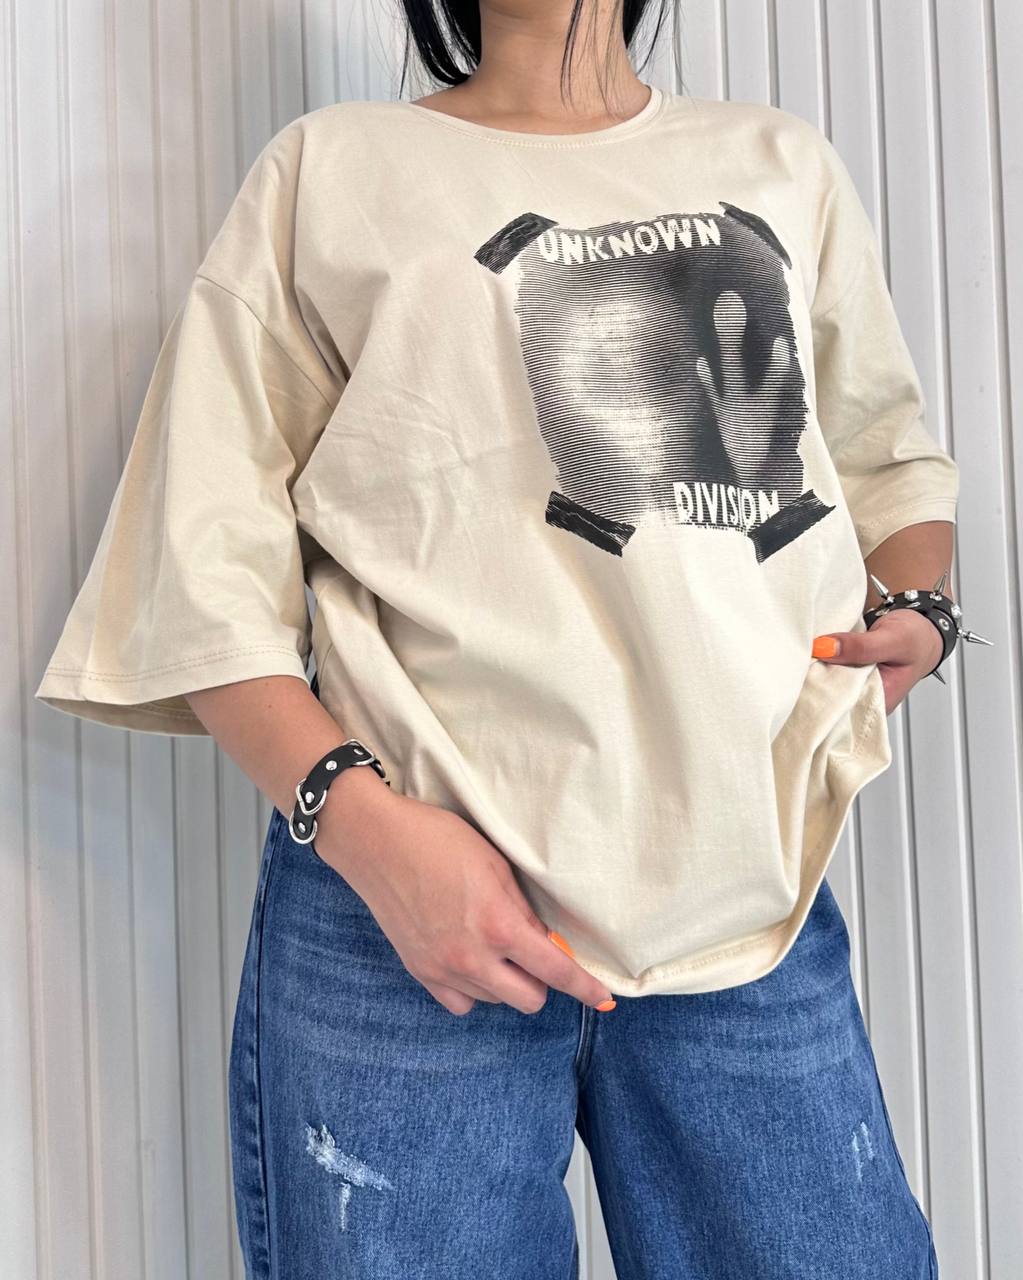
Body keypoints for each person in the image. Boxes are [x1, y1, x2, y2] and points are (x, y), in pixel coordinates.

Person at [35, 1, 973, 1275]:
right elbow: (199, 570)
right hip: (406, 919)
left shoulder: (779, 163)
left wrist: (919, 611)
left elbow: (888, 462)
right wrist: (372, 838)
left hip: (746, 901)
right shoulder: (331, 170)